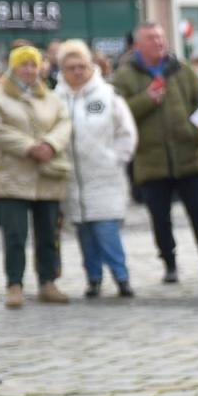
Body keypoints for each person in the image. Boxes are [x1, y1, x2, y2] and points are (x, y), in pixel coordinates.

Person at [113, 22, 198, 284]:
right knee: (160, 218)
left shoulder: (183, 70)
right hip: (150, 161)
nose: (158, 42)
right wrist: (146, 99)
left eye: (160, 37)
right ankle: (170, 265)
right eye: (151, 38)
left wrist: (197, 137)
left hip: (187, 157)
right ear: (138, 44)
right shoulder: (125, 76)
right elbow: (118, 116)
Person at [0, 45, 73, 308]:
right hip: (13, 176)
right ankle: (15, 284)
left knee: (48, 233)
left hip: (47, 174)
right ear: (13, 67)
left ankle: (48, 281)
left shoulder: (50, 97)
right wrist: (28, 146)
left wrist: (49, 144)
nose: (29, 70)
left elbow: (64, 123)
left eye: (33, 65)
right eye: (23, 64)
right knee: (15, 235)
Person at [56, 39, 137, 298]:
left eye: (82, 66)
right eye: (71, 67)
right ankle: (93, 278)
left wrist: (116, 158)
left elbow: (126, 132)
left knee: (106, 230)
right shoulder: (56, 99)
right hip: (73, 179)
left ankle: (121, 277)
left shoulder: (107, 95)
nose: (78, 72)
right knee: (85, 234)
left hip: (105, 175)